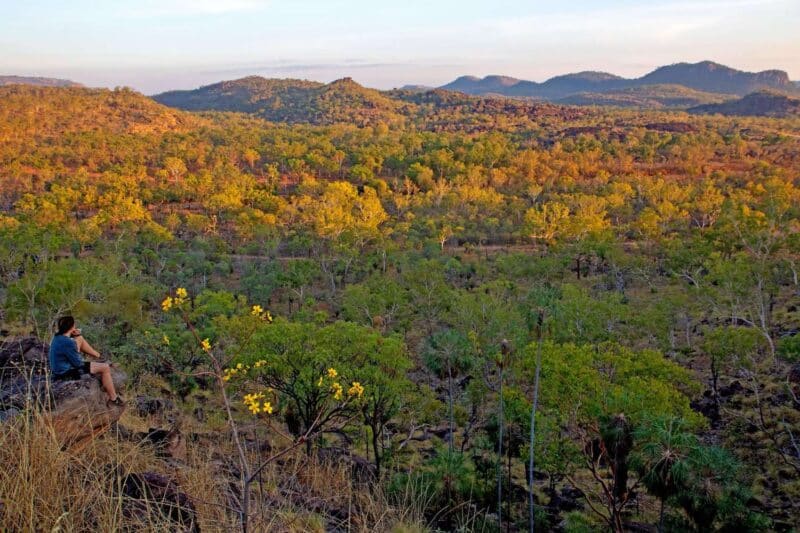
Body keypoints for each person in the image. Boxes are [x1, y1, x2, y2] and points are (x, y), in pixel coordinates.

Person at [49, 316, 123, 407]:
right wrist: (78, 352)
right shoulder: (68, 342)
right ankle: (113, 398)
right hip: (65, 372)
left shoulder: (57, 338)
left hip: (58, 369)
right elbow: (78, 363)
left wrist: (75, 336)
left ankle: (98, 355)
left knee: (79, 338)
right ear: (72, 327)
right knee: (105, 367)